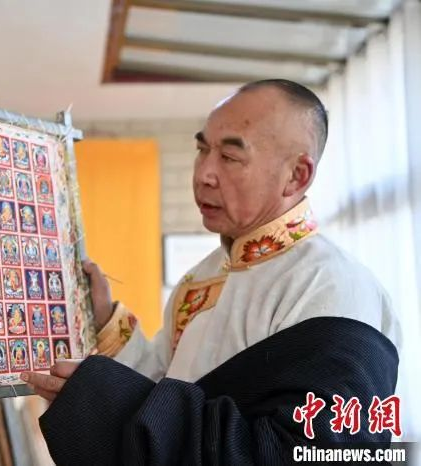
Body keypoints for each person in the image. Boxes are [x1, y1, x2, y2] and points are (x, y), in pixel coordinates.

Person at [21, 79, 401, 465]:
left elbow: (314, 453)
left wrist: (100, 397)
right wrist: (105, 320)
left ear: (296, 175)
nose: (204, 173)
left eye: (230, 157)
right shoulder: (200, 279)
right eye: (202, 150)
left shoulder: (334, 287)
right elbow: (160, 389)